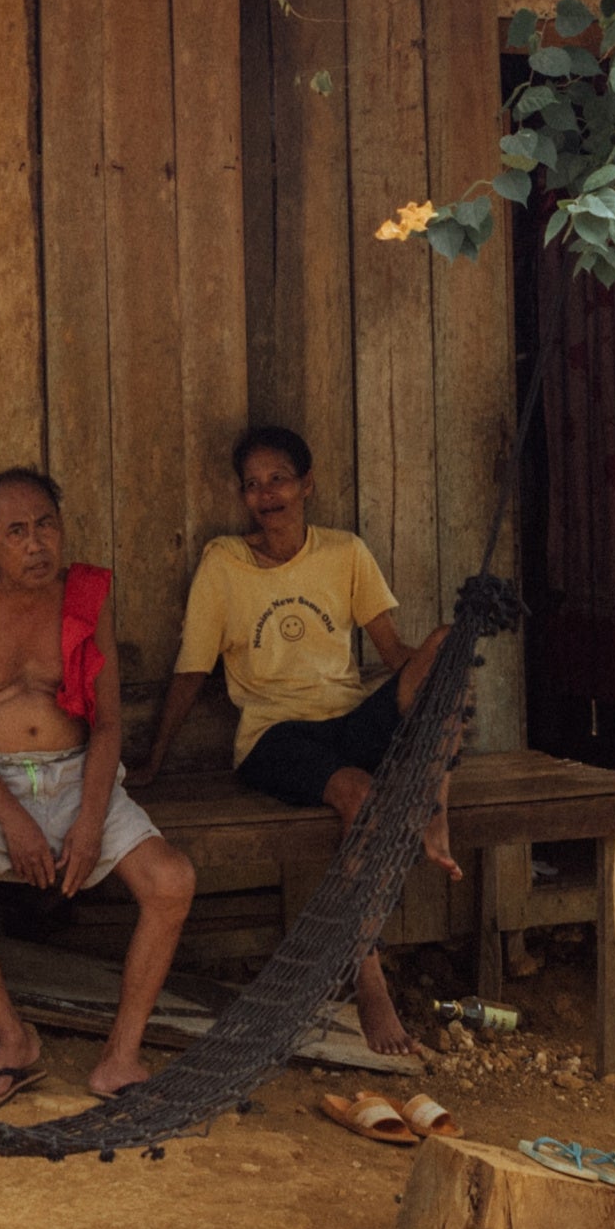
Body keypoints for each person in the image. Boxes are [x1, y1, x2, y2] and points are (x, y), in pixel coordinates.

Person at [139, 425, 454, 1059]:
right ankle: (366, 973)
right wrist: (151, 764)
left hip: (346, 718)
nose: (265, 494)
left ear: (306, 484)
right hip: (275, 737)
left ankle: (436, 802)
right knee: (360, 796)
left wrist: (434, 674)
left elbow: (393, 653)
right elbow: (192, 669)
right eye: (252, 485)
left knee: (449, 641)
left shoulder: (345, 552)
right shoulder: (223, 562)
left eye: (278, 478)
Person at [0, 466, 199, 1109]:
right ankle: (13, 1040)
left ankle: (120, 1057)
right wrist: (14, 818)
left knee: (171, 881)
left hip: (78, 774)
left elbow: (106, 726)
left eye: (47, 525)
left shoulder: (85, 596)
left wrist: (91, 818)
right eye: (17, 531)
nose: (37, 543)